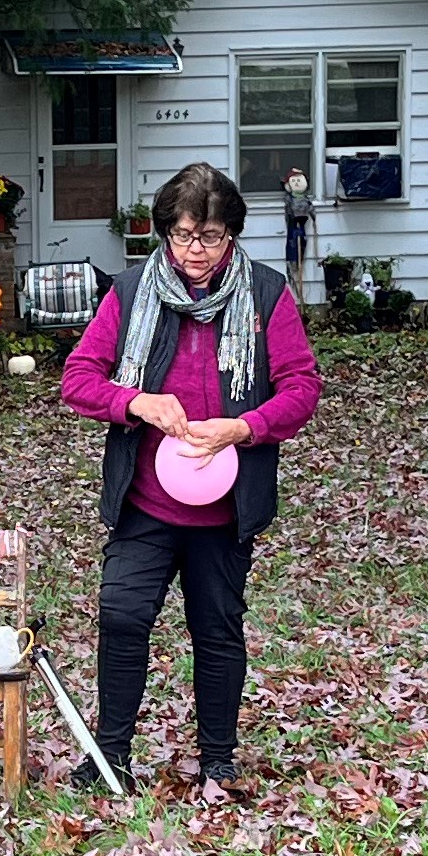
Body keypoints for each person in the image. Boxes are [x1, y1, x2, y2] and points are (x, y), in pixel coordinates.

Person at [57, 161, 320, 798]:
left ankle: (219, 760)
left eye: (210, 236)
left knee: (218, 628)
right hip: (145, 503)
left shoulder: (265, 293)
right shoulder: (129, 292)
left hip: (225, 508)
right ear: (164, 234)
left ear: (232, 234)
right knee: (122, 615)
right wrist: (137, 403)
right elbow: (78, 380)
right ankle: (110, 755)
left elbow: (302, 387)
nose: (195, 250)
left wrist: (243, 427)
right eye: (182, 235)